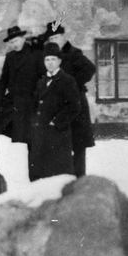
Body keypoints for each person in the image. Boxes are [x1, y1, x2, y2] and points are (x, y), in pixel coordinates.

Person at [45, 21, 98, 178]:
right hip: (59, 106)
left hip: (76, 105)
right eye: (51, 39)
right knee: (61, 145)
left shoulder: (73, 53)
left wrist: (73, 84)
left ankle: (79, 179)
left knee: (78, 145)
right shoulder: (52, 56)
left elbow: (90, 68)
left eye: (56, 37)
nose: (54, 41)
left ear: (63, 37)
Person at [29, 42, 80, 181]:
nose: (50, 63)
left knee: (58, 170)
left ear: (59, 61)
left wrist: (56, 122)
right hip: (41, 132)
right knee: (40, 170)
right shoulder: (41, 82)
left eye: (53, 59)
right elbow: (35, 105)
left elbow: (74, 106)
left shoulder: (67, 80)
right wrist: (34, 122)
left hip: (58, 133)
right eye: (47, 59)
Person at [0, 25, 46, 145]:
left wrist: (38, 95)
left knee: (32, 139)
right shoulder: (10, 57)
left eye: (16, 40)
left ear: (23, 38)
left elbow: (44, 78)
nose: (14, 44)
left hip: (31, 102)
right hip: (14, 102)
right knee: (12, 136)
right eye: (12, 42)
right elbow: (3, 81)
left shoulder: (36, 54)